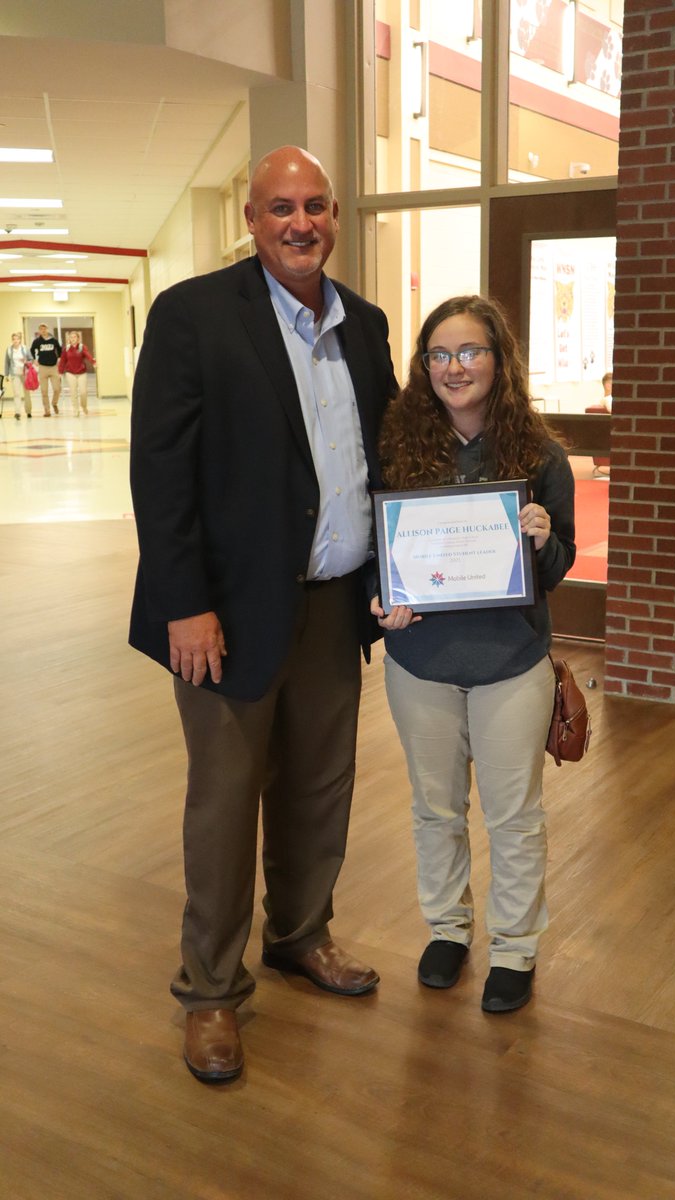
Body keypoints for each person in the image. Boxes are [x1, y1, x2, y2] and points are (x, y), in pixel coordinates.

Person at [129, 145, 396, 1084]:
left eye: (316, 205)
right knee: (225, 799)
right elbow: (160, 472)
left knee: (319, 784)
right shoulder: (194, 315)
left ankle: (300, 934)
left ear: (336, 216)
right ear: (251, 220)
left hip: (334, 601)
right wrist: (185, 604)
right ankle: (209, 990)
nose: (300, 223)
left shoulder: (365, 325)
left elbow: (384, 456)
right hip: (227, 615)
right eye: (281, 207)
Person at [371, 295, 575, 1014]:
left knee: (514, 816)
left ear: (499, 360)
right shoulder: (397, 449)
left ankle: (515, 946)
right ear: (423, 366)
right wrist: (381, 599)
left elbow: (558, 568)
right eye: (439, 354)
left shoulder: (540, 457)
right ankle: (448, 930)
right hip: (419, 663)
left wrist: (544, 539)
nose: (454, 367)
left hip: (510, 665)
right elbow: (377, 552)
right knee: (435, 810)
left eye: (469, 352)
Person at [57, 331, 95, 415]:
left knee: (83, 392)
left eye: (75, 337)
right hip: (70, 373)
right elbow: (62, 361)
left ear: (78, 338)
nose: (73, 339)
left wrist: (93, 362)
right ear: (69, 339)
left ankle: (84, 406)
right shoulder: (66, 349)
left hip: (82, 373)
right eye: (71, 337)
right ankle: (75, 409)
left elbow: (88, 355)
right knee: (73, 392)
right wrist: (60, 372)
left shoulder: (81, 347)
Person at [31, 323, 63, 416]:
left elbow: (59, 349)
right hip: (42, 368)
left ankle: (54, 403)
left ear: (47, 329)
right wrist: (34, 359)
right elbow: (32, 350)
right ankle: (47, 410)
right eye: (41, 329)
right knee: (44, 391)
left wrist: (59, 358)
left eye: (44, 328)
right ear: (39, 331)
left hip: (53, 367)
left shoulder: (53, 340)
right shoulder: (37, 341)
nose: (43, 330)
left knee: (57, 389)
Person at [4, 332, 34, 420]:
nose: (15, 341)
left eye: (17, 339)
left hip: (25, 373)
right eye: (13, 339)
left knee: (26, 393)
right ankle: (17, 412)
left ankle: (28, 411)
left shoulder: (25, 348)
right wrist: (6, 375)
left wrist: (26, 361)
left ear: (20, 340)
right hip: (15, 374)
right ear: (12, 340)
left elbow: (31, 359)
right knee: (16, 393)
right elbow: (7, 363)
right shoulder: (9, 350)